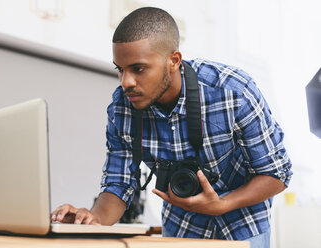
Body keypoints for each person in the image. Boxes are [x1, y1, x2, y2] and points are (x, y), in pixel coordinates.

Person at [51, 7, 292, 247]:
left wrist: (222, 204)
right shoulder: (121, 109)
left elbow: (277, 174)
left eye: (138, 68)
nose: (126, 82)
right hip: (180, 228)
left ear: (173, 61)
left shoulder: (233, 92)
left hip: (244, 225)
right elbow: (118, 184)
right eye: (120, 69)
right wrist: (92, 219)